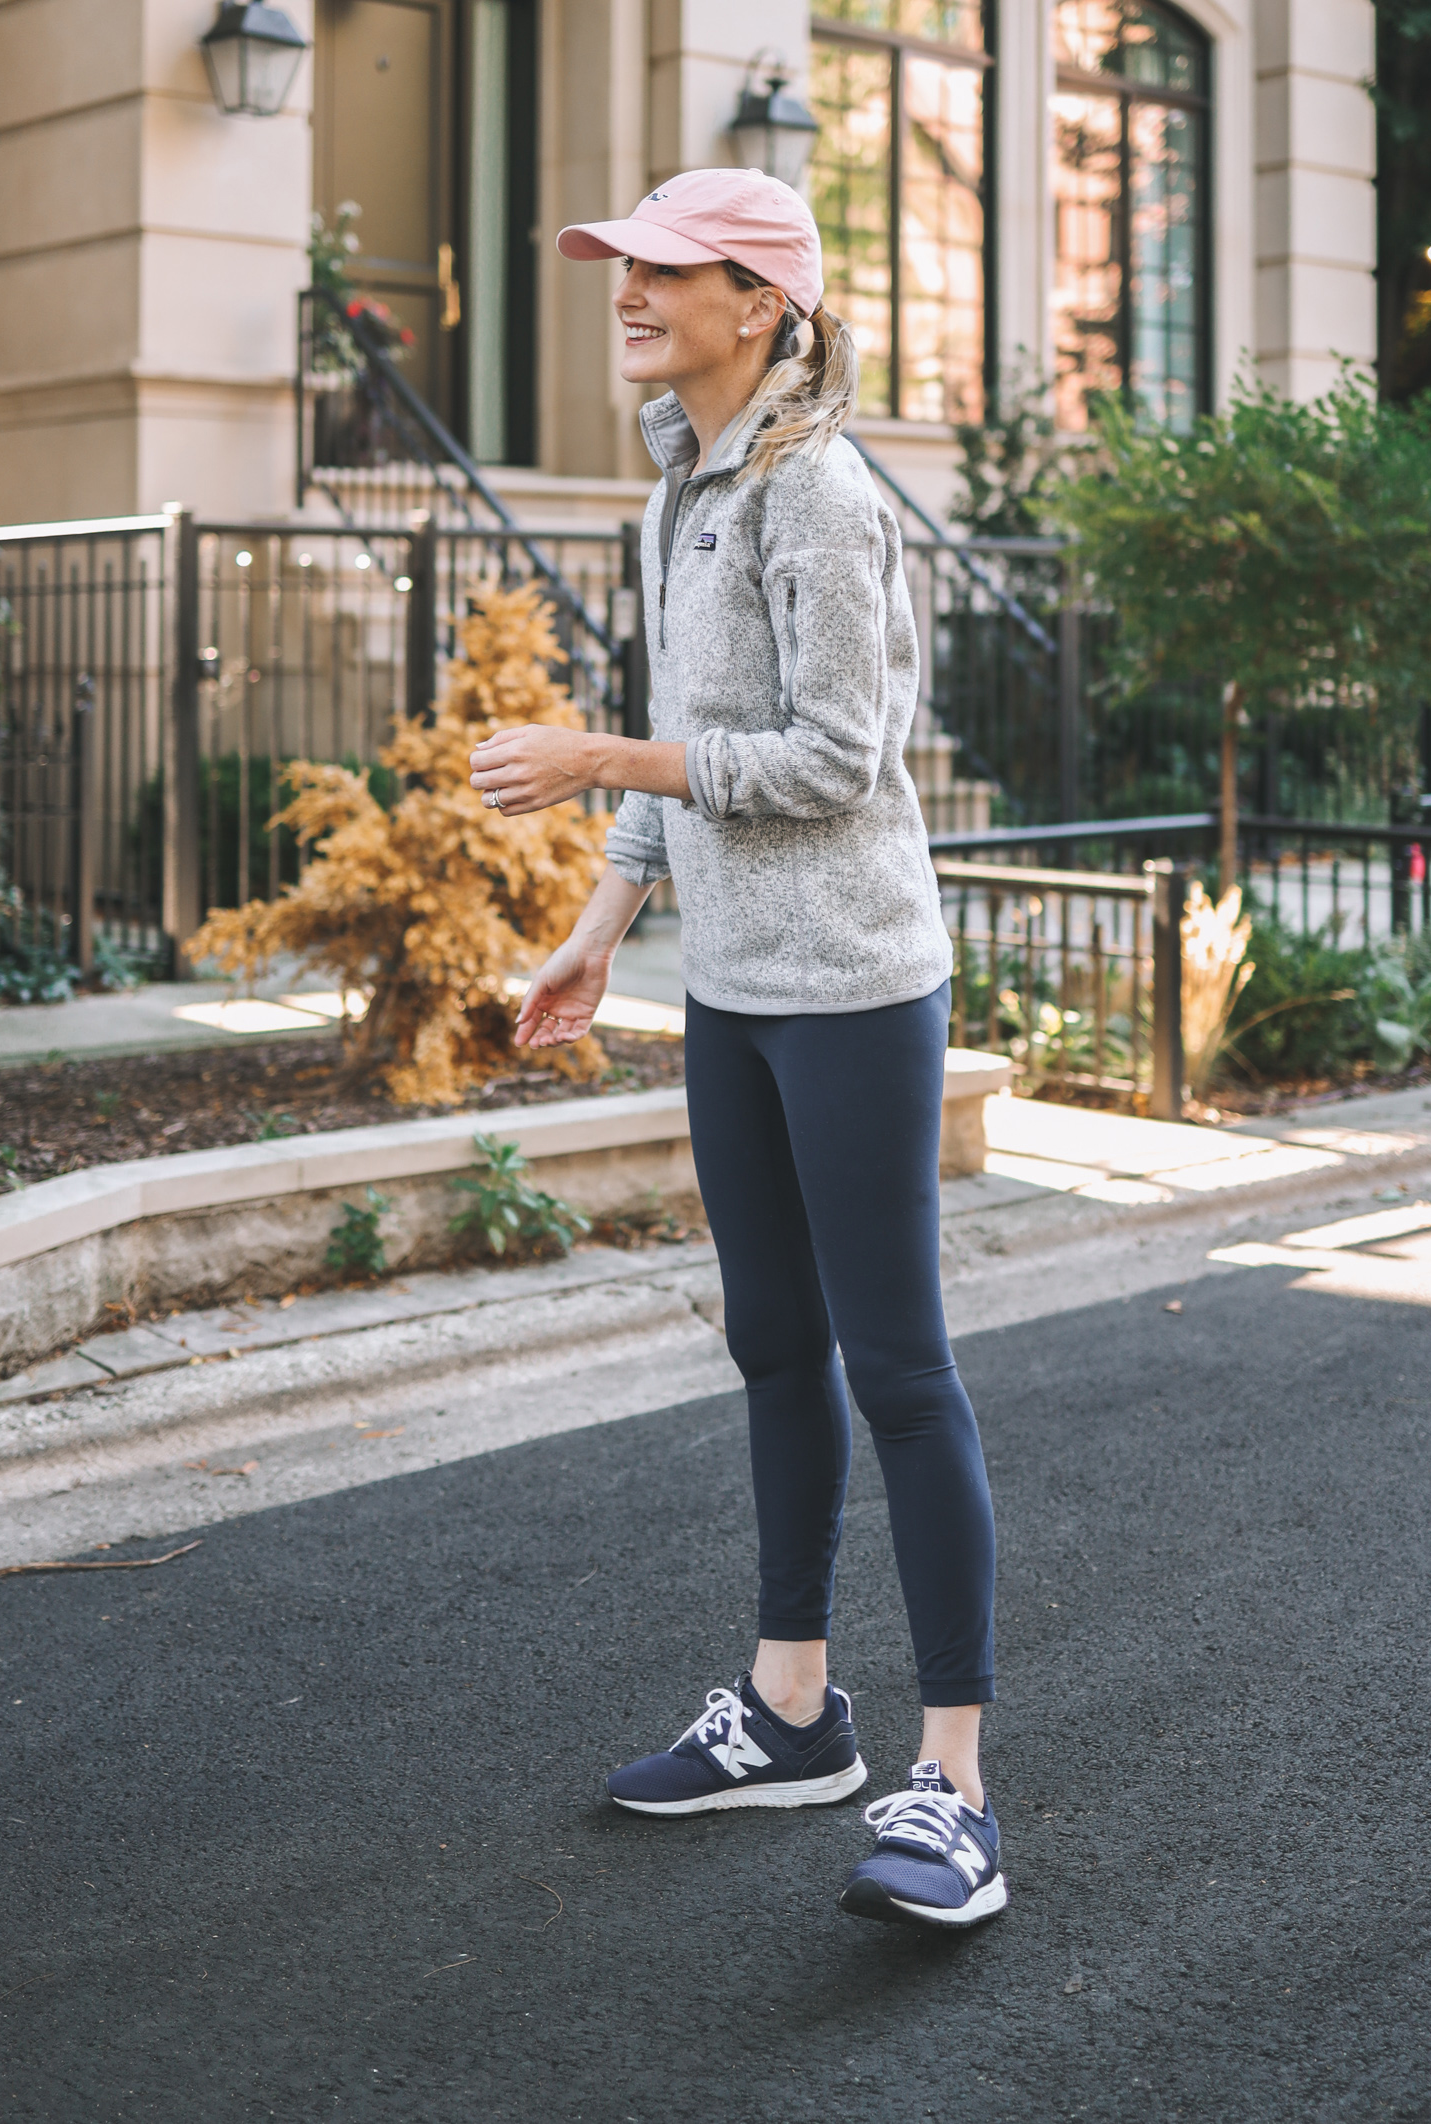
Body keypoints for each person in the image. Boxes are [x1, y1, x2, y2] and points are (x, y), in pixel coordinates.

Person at [467, 168, 1005, 1930]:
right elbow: (704, 729)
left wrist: (601, 761)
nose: (624, 289)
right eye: (619, 264)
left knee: (899, 1371)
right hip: (732, 990)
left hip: (851, 983)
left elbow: (832, 761)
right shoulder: (680, 480)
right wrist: (601, 925)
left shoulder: (820, 494)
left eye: (661, 269)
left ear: (758, 303)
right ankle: (793, 1716)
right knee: (775, 1344)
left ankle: (953, 1790)